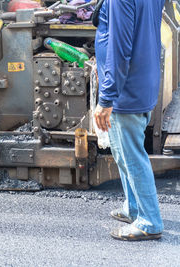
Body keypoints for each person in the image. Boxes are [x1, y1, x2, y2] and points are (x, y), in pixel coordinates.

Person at [94, 0, 165, 241]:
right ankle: (133, 207)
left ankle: (149, 221)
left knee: (132, 156)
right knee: (122, 153)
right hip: (142, 80)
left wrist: (106, 98)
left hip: (126, 89)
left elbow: (119, 48)